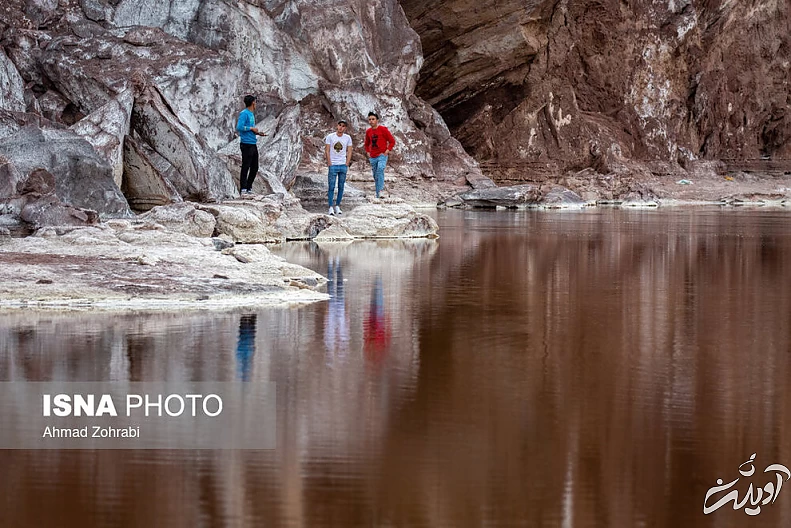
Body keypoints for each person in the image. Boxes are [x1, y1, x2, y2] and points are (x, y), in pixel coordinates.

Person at [236, 95, 267, 195]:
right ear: (253, 102)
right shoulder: (244, 113)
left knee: (255, 167)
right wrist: (251, 128)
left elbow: (249, 129)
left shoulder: (251, 114)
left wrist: (257, 133)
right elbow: (239, 127)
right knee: (246, 166)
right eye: (255, 101)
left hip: (253, 143)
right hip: (246, 144)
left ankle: (249, 187)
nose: (256, 103)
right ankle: (243, 189)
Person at [364, 112, 396, 199]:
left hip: (382, 155)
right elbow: (366, 144)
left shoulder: (383, 129)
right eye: (370, 119)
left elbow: (392, 141)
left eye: (373, 119)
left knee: (380, 169)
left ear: (377, 120)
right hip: (373, 156)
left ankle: (381, 191)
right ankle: (378, 194)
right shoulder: (368, 131)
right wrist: (368, 152)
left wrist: (387, 150)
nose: (371, 121)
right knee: (375, 175)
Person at [324, 120, 353, 215]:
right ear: (337, 126)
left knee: (341, 186)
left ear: (345, 128)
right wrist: (329, 162)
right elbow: (327, 150)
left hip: (343, 165)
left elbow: (349, 151)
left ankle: (337, 205)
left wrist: (347, 163)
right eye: (340, 125)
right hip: (333, 165)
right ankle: (330, 207)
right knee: (331, 186)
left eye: (343, 126)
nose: (341, 127)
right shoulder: (330, 136)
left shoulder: (347, 138)